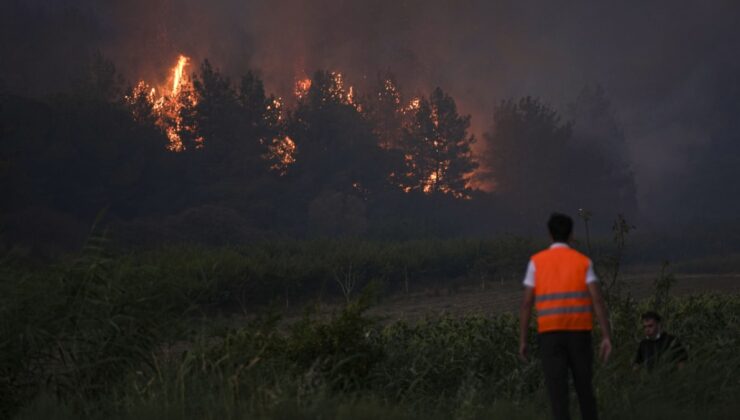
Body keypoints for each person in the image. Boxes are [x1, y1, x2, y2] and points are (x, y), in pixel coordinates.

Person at [519, 213, 612, 420]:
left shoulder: (536, 262)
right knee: (584, 389)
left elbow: (526, 304)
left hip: (550, 336)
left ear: (549, 234)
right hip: (579, 334)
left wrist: (523, 340)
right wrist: (606, 336)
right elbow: (597, 300)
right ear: (572, 235)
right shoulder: (583, 262)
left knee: (557, 394)